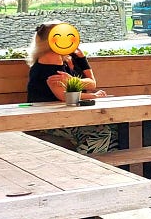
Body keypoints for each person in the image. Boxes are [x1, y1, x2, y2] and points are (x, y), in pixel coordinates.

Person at [25, 20, 115, 155]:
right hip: (48, 118)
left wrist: (81, 60)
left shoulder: (65, 58)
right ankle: (85, 166)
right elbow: (64, 96)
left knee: (112, 131)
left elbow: (91, 84)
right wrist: (93, 96)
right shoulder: (51, 57)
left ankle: (102, 167)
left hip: (62, 114)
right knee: (101, 132)